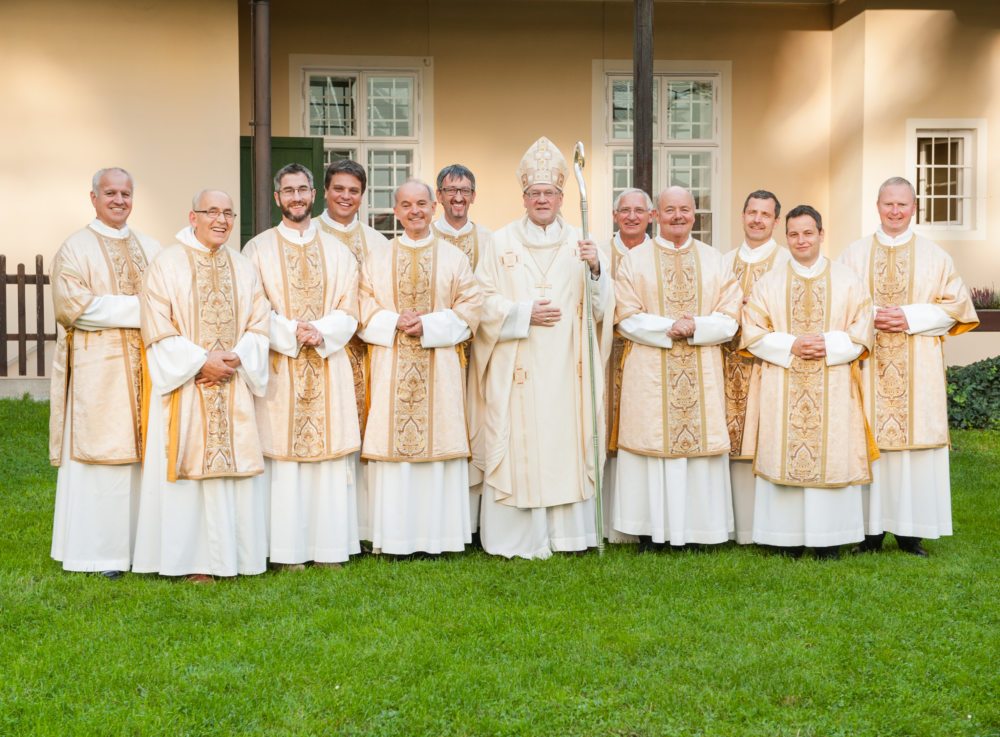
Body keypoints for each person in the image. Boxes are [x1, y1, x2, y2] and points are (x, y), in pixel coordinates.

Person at [472, 136, 613, 559]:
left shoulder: (584, 241)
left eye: (549, 193)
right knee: (520, 444)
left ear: (561, 196)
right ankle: (522, 538)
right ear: (524, 197)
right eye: (534, 193)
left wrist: (596, 268)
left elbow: (603, 307)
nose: (541, 199)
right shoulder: (499, 243)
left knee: (568, 442)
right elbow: (482, 301)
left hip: (571, 367)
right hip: (520, 364)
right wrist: (522, 313)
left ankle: (569, 535)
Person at [132, 190, 270, 582]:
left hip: (232, 382)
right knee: (187, 477)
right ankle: (190, 561)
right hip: (185, 388)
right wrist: (200, 361)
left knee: (231, 474)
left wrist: (237, 357)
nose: (222, 220)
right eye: (213, 212)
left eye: (229, 213)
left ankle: (237, 559)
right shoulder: (166, 264)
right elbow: (156, 326)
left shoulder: (243, 267)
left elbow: (260, 323)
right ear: (193, 216)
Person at [839, 177, 978, 556]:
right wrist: (871, 318)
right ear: (878, 206)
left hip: (918, 369)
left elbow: (958, 307)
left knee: (912, 452)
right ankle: (869, 532)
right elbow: (838, 306)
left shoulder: (936, 257)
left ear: (913, 208)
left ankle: (910, 533)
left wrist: (908, 317)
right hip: (869, 367)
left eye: (902, 204)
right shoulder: (853, 255)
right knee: (873, 447)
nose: (895, 211)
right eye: (888, 204)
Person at [243, 163, 362, 569]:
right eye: (288, 191)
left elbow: (351, 307)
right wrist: (294, 331)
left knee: (328, 462)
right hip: (281, 367)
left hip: (328, 366)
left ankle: (329, 549)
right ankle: (286, 551)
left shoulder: (338, 250)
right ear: (277, 198)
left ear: (314, 195)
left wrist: (323, 332)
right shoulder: (256, 249)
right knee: (284, 464)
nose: (296, 197)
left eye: (303, 190)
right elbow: (252, 308)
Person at [357, 180, 483, 556]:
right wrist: (393, 320)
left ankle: (438, 539)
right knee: (395, 459)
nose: (415, 211)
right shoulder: (377, 257)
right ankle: (395, 539)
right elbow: (360, 305)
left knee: (437, 449)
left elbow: (471, 307)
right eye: (407, 205)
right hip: (390, 367)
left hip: (439, 369)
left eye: (422, 204)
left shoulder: (454, 259)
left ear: (434, 208)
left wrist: (428, 325)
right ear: (396, 211)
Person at [741, 205, 874, 558]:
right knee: (782, 453)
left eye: (808, 232)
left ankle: (829, 539)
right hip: (782, 384)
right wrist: (792, 344)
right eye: (794, 234)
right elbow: (752, 331)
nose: (801, 240)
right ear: (787, 237)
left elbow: (862, 330)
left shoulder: (848, 280)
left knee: (832, 456)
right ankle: (783, 538)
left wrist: (827, 344)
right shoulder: (769, 283)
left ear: (821, 234)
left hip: (832, 381)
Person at [612, 186, 741, 549]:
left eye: (685, 209)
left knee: (697, 452)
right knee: (652, 447)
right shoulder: (635, 261)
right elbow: (625, 315)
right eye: (670, 210)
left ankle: (702, 530)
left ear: (695, 214)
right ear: (656, 216)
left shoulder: (715, 260)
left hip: (702, 368)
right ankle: (652, 531)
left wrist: (696, 327)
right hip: (650, 370)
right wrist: (670, 328)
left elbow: (731, 315)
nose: (678, 216)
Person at [49, 167, 160, 578]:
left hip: (146, 371)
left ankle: (139, 548)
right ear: (93, 198)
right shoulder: (75, 248)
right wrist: (142, 310)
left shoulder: (151, 246)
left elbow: (171, 298)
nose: (119, 200)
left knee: (142, 458)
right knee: (100, 463)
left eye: (126, 193)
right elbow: (74, 307)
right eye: (110, 192)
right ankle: (96, 554)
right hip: (99, 373)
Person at [316, 159, 391, 543]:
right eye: (339, 189)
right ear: (325, 191)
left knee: (369, 432)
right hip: (324, 352)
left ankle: (365, 525)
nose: (346, 197)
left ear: (362, 196)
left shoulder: (378, 242)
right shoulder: (308, 234)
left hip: (371, 352)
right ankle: (333, 525)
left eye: (354, 191)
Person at [721, 190, 790, 545]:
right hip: (724, 363)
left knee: (762, 438)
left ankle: (762, 527)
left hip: (765, 366)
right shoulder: (724, 260)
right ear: (743, 215)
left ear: (776, 221)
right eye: (752, 212)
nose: (757, 219)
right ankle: (730, 526)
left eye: (765, 214)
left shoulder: (786, 262)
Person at [432, 164, 494, 539]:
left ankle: (476, 518)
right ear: (438, 196)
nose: (458, 197)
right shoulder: (425, 237)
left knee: (480, 427)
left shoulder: (490, 240)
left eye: (465, 190)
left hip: (483, 350)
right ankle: (445, 518)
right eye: (450, 190)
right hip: (438, 350)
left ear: (474, 195)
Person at [602, 188, 654, 546]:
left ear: (651, 216)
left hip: (650, 358)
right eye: (625, 211)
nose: (632, 217)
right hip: (606, 352)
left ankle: (642, 516)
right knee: (605, 427)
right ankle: (607, 523)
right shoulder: (600, 254)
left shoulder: (660, 254)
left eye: (639, 211)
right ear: (614, 215)